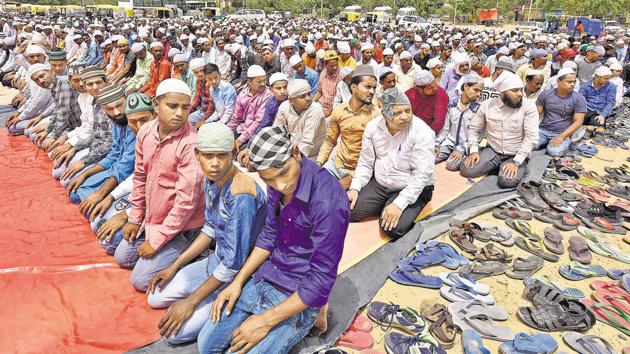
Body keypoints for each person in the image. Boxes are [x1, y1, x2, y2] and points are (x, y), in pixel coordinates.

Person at [197, 125, 350, 354]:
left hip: (299, 292)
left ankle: (311, 315)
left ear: (296, 153)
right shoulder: (275, 182)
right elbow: (269, 233)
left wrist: (264, 321)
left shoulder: (327, 202)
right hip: (267, 277)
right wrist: (238, 282)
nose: (280, 185)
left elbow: (320, 278)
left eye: (283, 173)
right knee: (206, 345)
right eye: (269, 180)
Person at [146, 123, 267, 345]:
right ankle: (205, 298)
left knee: (176, 335)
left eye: (221, 156)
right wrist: (175, 265)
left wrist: (191, 302)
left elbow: (234, 263)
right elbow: (210, 229)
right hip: (217, 262)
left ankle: (239, 307)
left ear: (232, 154)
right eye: (208, 155)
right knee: (155, 298)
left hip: (239, 275)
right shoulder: (210, 179)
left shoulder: (241, 195)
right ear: (197, 154)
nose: (214, 163)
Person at [119, 79, 205, 292]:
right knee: (121, 256)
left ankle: (195, 254)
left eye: (185, 108)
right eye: (172, 106)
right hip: (153, 217)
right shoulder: (145, 132)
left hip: (183, 227)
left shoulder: (190, 143)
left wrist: (156, 241)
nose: (179, 113)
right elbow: (140, 177)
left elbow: (186, 203)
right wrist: (134, 217)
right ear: (156, 105)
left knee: (140, 281)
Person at [347, 87, 435, 239]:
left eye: (408, 110)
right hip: (381, 183)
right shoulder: (373, 127)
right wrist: (355, 188)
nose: (405, 117)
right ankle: (385, 203)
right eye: (397, 113)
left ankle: (395, 204)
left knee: (392, 229)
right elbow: (366, 162)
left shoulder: (422, 132)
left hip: (411, 186)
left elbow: (421, 174)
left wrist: (399, 204)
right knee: (349, 211)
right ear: (385, 114)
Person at [91, 92, 157, 254]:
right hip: (144, 195)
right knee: (97, 223)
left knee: (113, 247)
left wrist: (127, 215)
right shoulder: (142, 138)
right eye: (134, 122)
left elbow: (167, 194)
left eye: (144, 120)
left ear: (155, 114)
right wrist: (111, 196)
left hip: (161, 206)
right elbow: (138, 176)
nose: (140, 126)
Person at [460, 73, 539, 188]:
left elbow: (531, 137)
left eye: (521, 90)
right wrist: (474, 150)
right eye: (515, 90)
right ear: (503, 92)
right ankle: (497, 165)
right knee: (466, 170)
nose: (520, 94)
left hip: (516, 154)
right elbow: (474, 129)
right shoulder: (487, 105)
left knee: (507, 181)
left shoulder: (528, 107)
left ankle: (506, 166)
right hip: (493, 150)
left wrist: (516, 162)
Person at [65, 84, 136, 208]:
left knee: (97, 219)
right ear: (103, 109)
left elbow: (127, 165)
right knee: (74, 193)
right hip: (115, 170)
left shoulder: (135, 123)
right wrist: (85, 174)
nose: (117, 112)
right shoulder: (117, 122)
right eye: (110, 109)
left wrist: (101, 193)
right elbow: (114, 154)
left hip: (131, 176)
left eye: (119, 105)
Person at [317, 65, 380, 189]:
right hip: (337, 164)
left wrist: (354, 177)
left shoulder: (376, 116)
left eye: (374, 88)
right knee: (313, 186)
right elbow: (330, 141)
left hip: (360, 170)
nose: (372, 92)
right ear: (354, 87)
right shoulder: (339, 111)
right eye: (368, 87)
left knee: (334, 197)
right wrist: (319, 163)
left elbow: (378, 153)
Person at [57, 67, 112, 187]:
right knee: (58, 170)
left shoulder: (112, 103)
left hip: (108, 154)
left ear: (106, 82)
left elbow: (110, 143)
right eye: (90, 84)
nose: (95, 87)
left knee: (65, 181)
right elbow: (96, 133)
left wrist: (84, 161)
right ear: (85, 87)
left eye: (98, 82)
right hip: (95, 148)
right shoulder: (96, 102)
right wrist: (75, 148)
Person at [435, 74, 484, 171]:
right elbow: (445, 128)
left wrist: (461, 150)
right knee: (430, 157)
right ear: (466, 86)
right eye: (476, 90)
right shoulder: (452, 104)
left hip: (466, 145)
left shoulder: (479, 109)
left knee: (451, 165)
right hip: (449, 142)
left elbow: (479, 135)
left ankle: (464, 156)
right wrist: (437, 143)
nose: (478, 94)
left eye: (480, 91)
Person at [535, 68, 586, 157]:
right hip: (543, 130)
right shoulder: (546, 94)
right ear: (559, 81)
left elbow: (578, 121)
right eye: (569, 82)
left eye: (574, 82)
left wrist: (562, 136)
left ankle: (563, 144)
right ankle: (545, 144)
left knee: (553, 152)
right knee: (530, 146)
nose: (572, 84)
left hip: (563, 133)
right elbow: (535, 114)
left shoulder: (579, 98)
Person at [273, 79, 327, 161]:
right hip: (290, 151)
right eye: (302, 96)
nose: (308, 98)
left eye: (309, 94)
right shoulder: (284, 107)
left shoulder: (315, 109)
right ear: (291, 100)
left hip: (312, 155)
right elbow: (277, 132)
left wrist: (291, 161)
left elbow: (306, 143)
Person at [227, 65, 272, 150]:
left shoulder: (268, 95)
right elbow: (236, 118)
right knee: (223, 141)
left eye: (264, 80)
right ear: (249, 82)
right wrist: (227, 130)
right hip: (243, 129)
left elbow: (258, 122)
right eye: (259, 81)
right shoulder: (242, 95)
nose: (263, 84)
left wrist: (240, 140)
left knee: (242, 152)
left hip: (258, 132)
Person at [314, 50, 342, 117]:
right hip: (321, 104)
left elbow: (341, 100)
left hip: (335, 107)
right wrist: (312, 103)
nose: (334, 67)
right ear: (325, 65)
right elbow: (319, 92)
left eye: (336, 65)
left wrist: (329, 111)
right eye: (331, 65)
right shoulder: (323, 73)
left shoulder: (341, 75)